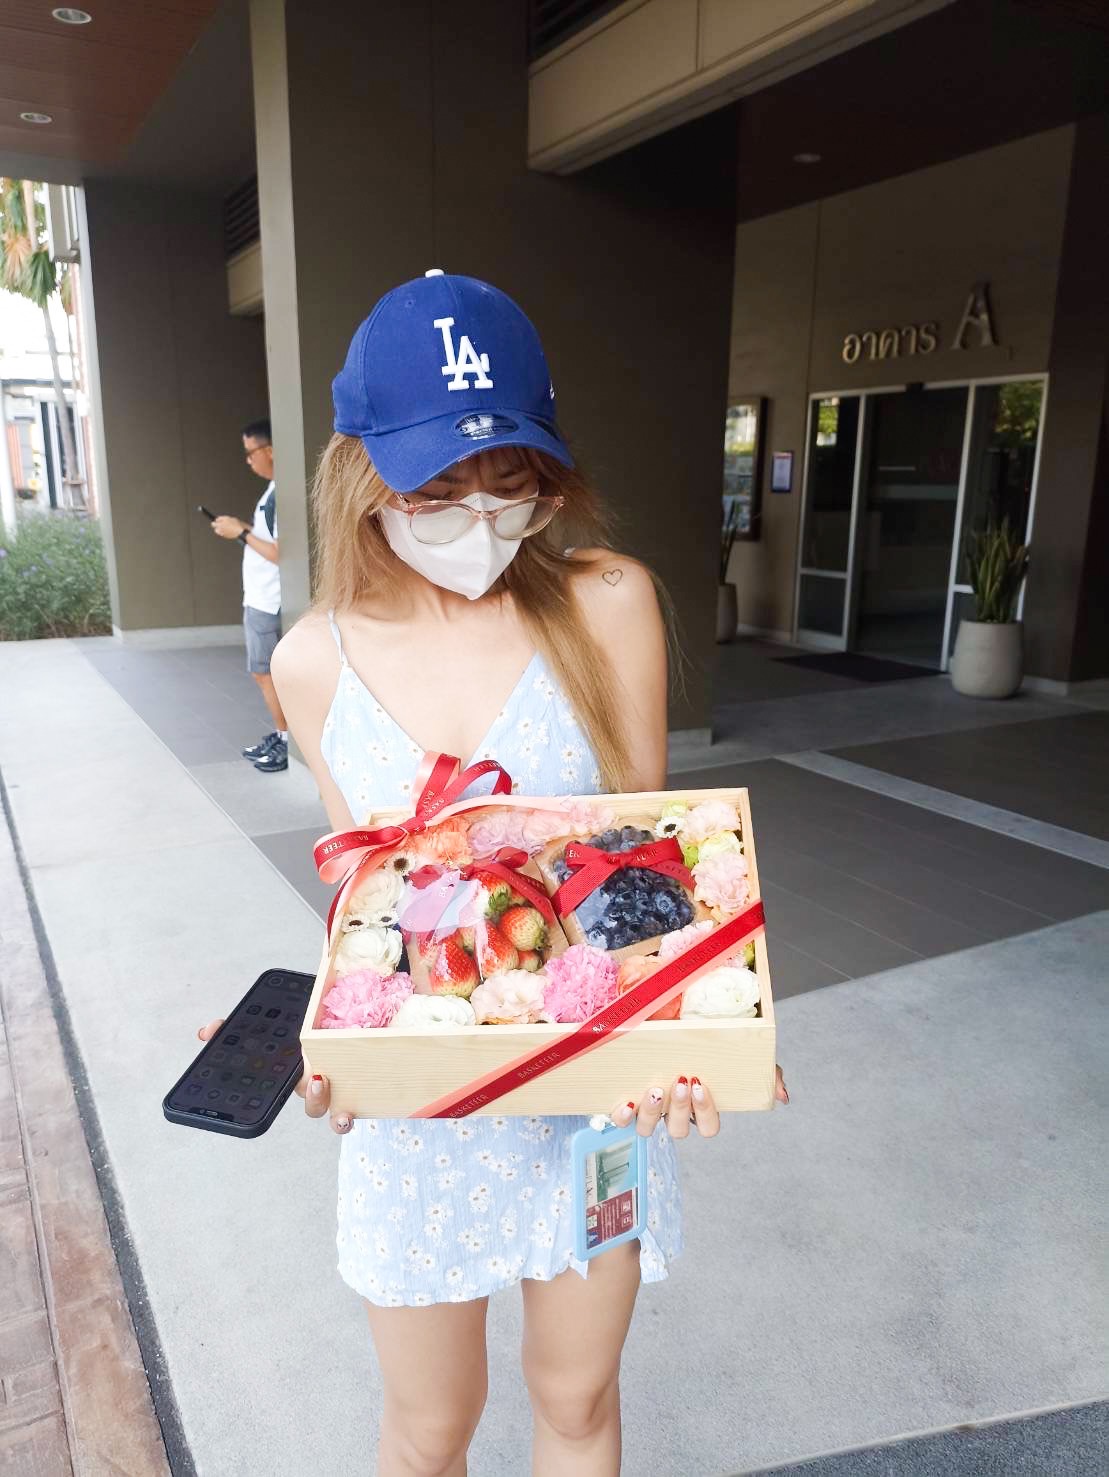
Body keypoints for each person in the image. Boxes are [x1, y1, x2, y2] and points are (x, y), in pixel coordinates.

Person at [200, 271, 788, 1474]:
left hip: (589, 1104)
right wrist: (329, 1038)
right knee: (427, 1432)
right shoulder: (314, 661)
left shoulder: (605, 602)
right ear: (361, 467)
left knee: (575, 1408)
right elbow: (369, 909)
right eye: (435, 487)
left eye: (506, 482)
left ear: (546, 470)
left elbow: (650, 873)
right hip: (422, 1117)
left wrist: (680, 1036)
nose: (474, 517)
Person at [211, 418, 289, 773]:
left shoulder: (278, 495)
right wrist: (242, 527)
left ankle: (287, 740)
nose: (248, 460)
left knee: (265, 673)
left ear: (269, 451)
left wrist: (240, 533)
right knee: (265, 672)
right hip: (260, 597)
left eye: (250, 452)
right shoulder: (272, 491)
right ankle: (284, 735)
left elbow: (278, 553)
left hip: (267, 600)